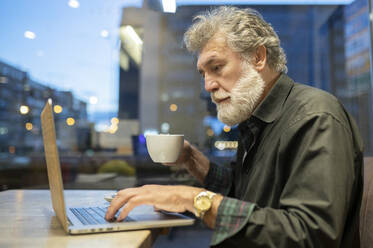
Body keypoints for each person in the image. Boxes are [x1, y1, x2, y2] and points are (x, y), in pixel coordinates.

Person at [106, 6, 364, 247]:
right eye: (203, 74)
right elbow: (244, 199)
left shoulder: (315, 117)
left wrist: (191, 199)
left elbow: (310, 234)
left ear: (258, 57)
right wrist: (194, 161)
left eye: (217, 67)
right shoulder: (256, 120)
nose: (208, 85)